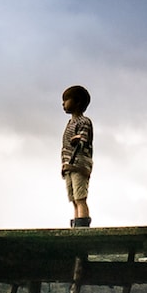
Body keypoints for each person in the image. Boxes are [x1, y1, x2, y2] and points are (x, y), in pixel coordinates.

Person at [61, 85, 92, 227]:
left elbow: (83, 140)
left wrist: (78, 139)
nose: (63, 103)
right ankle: (76, 225)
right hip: (69, 165)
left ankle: (82, 227)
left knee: (80, 198)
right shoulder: (70, 123)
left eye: (66, 99)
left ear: (77, 102)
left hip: (79, 165)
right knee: (73, 199)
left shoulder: (84, 122)